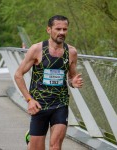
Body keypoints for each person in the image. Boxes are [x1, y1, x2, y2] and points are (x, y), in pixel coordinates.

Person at [14, 15, 83, 150]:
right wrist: (29, 100)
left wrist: (72, 82)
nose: (62, 32)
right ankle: (31, 139)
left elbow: (71, 77)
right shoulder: (37, 49)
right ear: (49, 30)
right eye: (58, 29)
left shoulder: (72, 52)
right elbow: (18, 75)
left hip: (60, 104)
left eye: (65, 29)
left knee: (55, 147)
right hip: (39, 104)